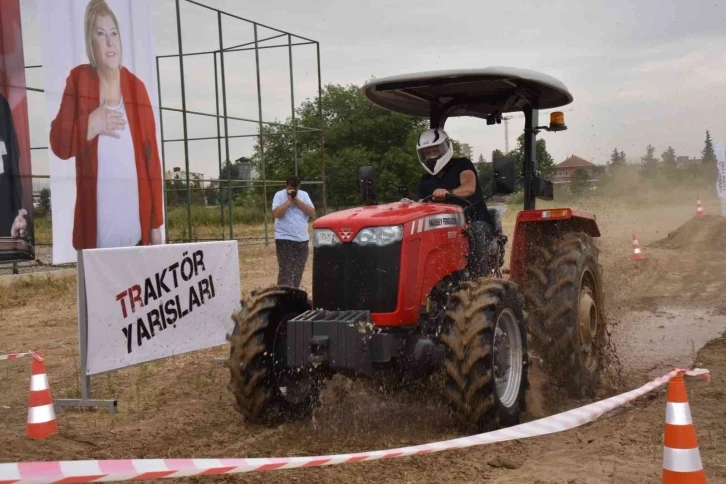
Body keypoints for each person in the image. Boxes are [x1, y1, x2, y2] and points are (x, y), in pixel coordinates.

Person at [49, 0, 163, 250]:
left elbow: (151, 160)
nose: (110, 43)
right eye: (100, 34)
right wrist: (91, 123)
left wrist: (156, 225)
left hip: (137, 234)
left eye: (114, 33)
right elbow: (58, 144)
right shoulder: (79, 80)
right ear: (91, 43)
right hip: (96, 238)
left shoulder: (137, 88)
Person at [415, 128, 496, 277]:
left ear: (445, 148)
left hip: (475, 220)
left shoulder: (463, 165)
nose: (431, 156)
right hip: (444, 225)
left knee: (476, 231)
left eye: (434, 151)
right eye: (427, 153)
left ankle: (479, 279)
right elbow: (420, 204)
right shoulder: (425, 180)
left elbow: (469, 188)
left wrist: (448, 193)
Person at [272, 175, 316, 288]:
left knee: (298, 271)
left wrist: (297, 201)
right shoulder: (279, 195)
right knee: (285, 271)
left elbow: (312, 213)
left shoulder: (304, 195)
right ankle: (283, 297)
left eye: (295, 190)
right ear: (286, 186)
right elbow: (276, 214)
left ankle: (294, 294)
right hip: (284, 238)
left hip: (302, 239)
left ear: (298, 187)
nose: (292, 191)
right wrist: (288, 202)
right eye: (290, 189)